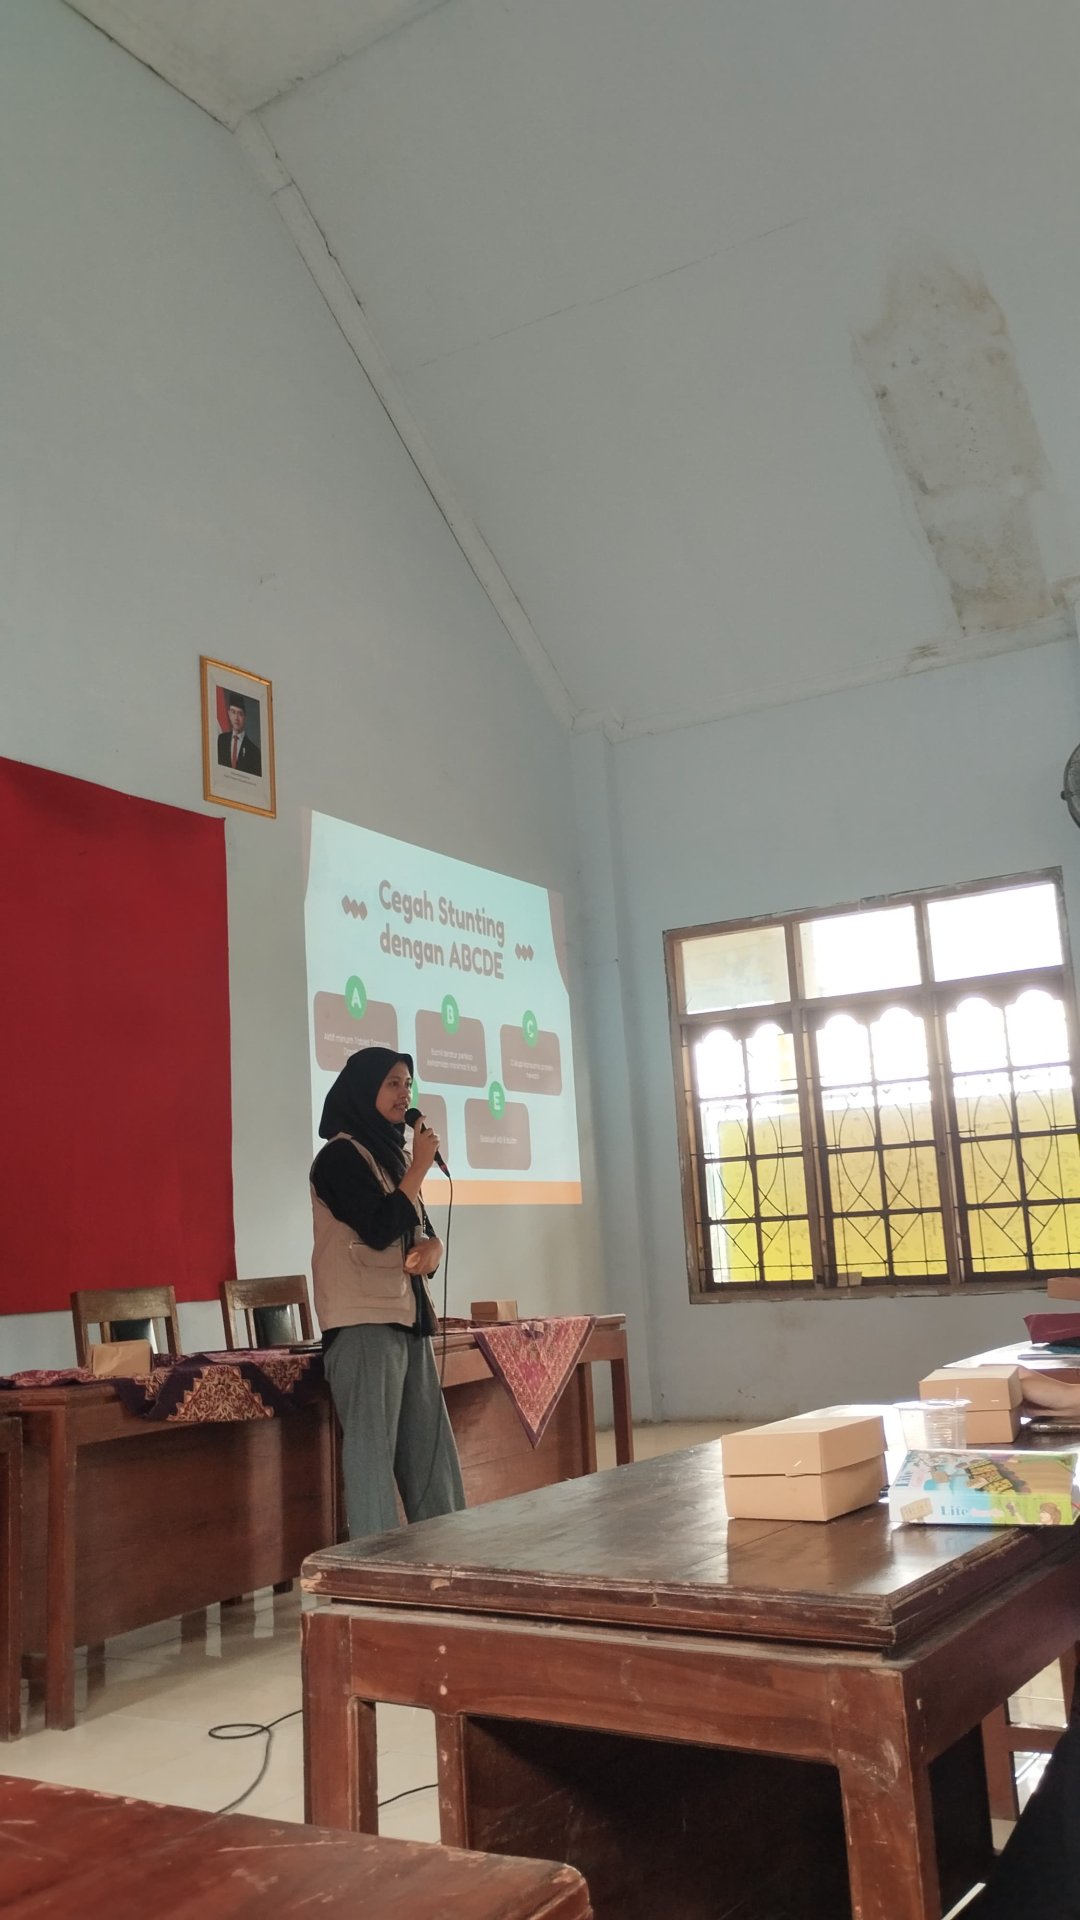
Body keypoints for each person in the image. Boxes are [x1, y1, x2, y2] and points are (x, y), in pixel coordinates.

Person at [310, 1045, 465, 1537]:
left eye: (408, 1085)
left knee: (430, 1453)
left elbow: (408, 1231)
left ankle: (448, 1561)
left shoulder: (393, 1158)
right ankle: (373, 1576)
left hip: (408, 1318)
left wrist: (432, 1249)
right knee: (371, 1457)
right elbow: (377, 1228)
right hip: (363, 1327)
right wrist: (417, 1167)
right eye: (393, 1084)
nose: (405, 1095)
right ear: (364, 1090)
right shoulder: (338, 1157)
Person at [216, 690, 262, 776]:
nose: (236, 718)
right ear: (229, 713)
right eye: (233, 712)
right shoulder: (221, 740)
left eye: (240, 714)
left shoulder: (254, 752)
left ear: (245, 717)